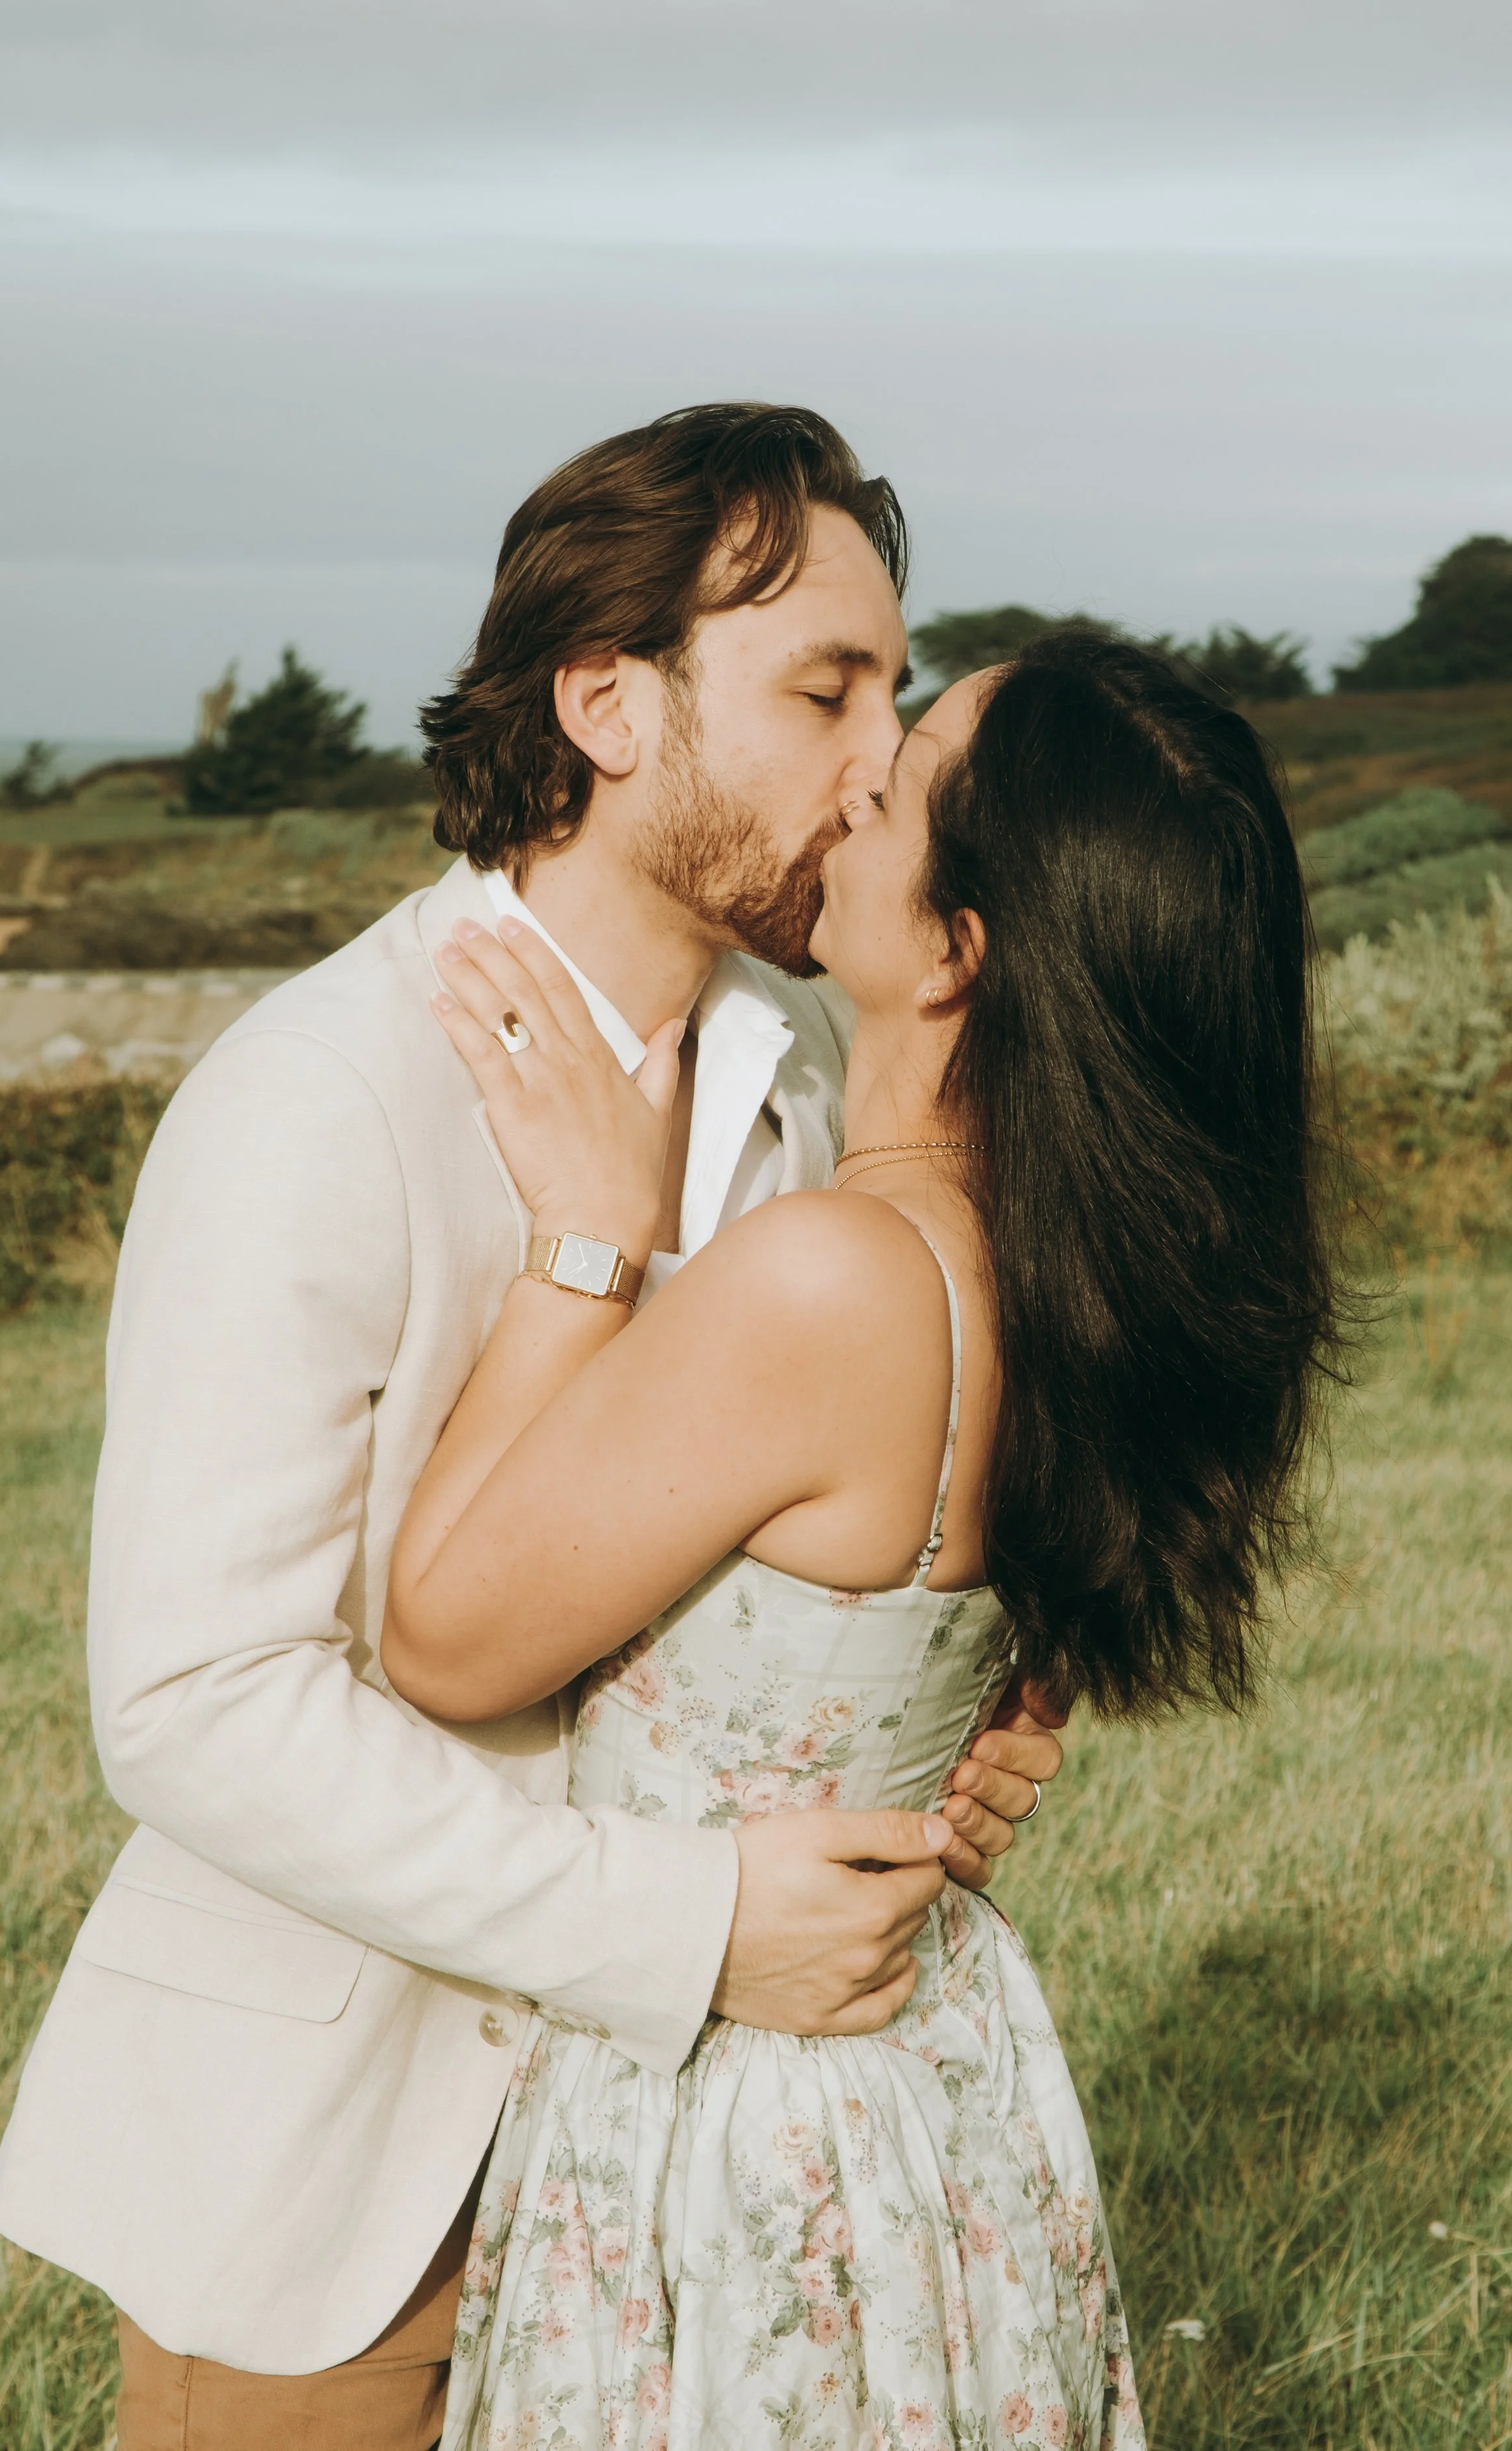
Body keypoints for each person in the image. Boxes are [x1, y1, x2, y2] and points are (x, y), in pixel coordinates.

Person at [0, 404, 1065, 2448]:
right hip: (345, 2182)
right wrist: (691, 1922)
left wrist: (928, 1734)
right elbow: (196, 1697)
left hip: (686, 2184)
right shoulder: (315, 1091)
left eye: (894, 696)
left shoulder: (808, 1095)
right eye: (824, 686)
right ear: (609, 705)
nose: (874, 759)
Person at [380, 622, 1340, 2450]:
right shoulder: (1083, 1273)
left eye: (890, 788)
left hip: (748, 2096)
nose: (849, 774)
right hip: (935, 2073)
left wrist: (589, 1235)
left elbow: (441, 1634)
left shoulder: (832, 1274)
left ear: (955, 950)